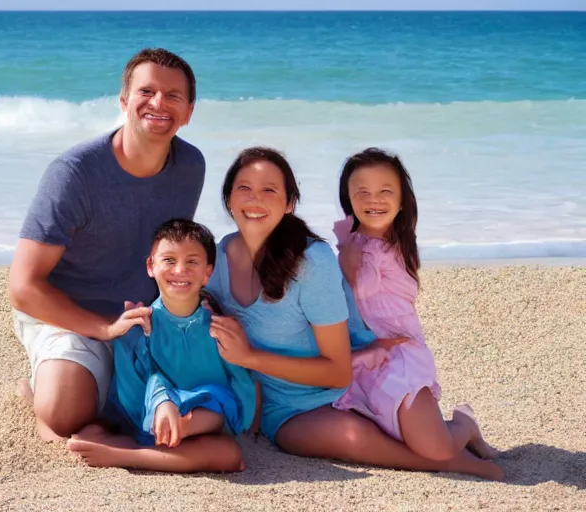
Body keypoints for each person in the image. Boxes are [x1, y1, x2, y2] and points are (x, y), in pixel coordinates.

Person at [204, 147, 504, 480]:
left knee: (432, 443)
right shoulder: (215, 262)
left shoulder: (312, 261)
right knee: (316, 440)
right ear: (228, 199)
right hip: (286, 409)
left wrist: (250, 358)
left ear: (290, 203)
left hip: (340, 384)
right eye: (244, 188)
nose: (255, 199)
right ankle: (444, 460)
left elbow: (337, 373)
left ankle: (456, 437)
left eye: (269, 190)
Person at [8, 48, 205, 442]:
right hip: (67, 314)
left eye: (173, 96)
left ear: (188, 112)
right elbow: (23, 288)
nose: (158, 104)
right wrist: (103, 328)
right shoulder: (74, 174)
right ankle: (42, 384)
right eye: (146, 91)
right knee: (64, 414)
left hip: (141, 318)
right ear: (124, 101)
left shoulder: (190, 166)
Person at [332, 147, 500, 464]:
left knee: (436, 449)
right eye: (362, 192)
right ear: (348, 198)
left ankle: (464, 423)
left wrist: (347, 262)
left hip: (400, 353)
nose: (373, 199)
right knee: (396, 433)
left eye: (385, 191)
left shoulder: (394, 247)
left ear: (402, 198)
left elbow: (362, 291)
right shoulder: (354, 244)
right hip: (365, 350)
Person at [66, 219, 259, 472]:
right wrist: (162, 400)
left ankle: (127, 455)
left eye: (192, 262)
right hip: (151, 415)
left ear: (207, 273)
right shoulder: (140, 323)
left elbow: (238, 389)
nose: (180, 270)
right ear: (151, 266)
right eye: (169, 260)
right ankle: (150, 439)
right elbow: (135, 386)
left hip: (199, 425)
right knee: (92, 428)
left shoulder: (220, 327)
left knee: (229, 454)